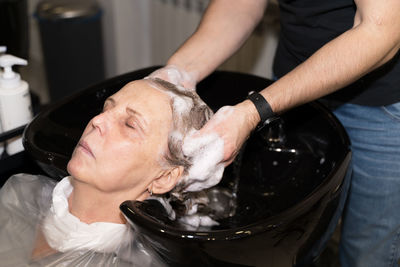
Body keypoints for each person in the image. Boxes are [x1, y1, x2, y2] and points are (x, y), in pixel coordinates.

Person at [150, 0, 400, 266]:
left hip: (381, 106)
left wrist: (255, 110)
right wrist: (177, 73)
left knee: (368, 251)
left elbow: (381, 30)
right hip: (293, 86)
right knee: (294, 234)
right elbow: (240, 5)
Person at [0, 78, 218, 266]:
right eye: (106, 108)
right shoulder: (21, 195)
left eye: (130, 125)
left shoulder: (132, 262)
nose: (97, 121)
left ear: (164, 177)